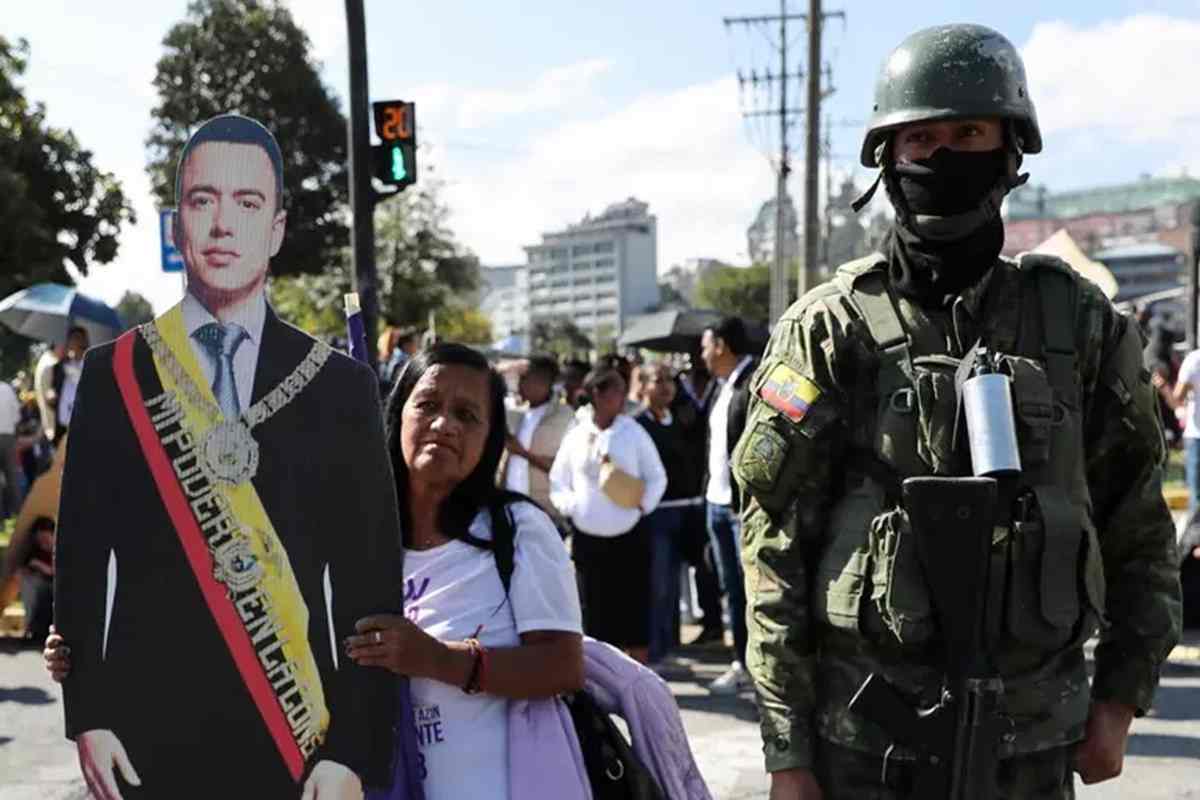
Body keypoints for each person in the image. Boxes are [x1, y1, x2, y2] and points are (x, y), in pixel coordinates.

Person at [732, 25, 1181, 800]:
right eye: (922, 137)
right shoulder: (828, 330)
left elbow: (1137, 522)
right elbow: (773, 547)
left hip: (1031, 747)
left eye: (968, 132)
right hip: (865, 749)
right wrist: (787, 750)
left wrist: (1120, 699)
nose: (943, 157)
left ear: (1011, 151)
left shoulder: (1078, 323)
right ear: (887, 156)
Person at [51, 114, 400, 799]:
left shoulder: (339, 386)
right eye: (202, 200)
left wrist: (355, 749)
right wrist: (87, 715)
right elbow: (82, 560)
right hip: (144, 736)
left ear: (276, 228)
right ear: (177, 221)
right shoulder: (114, 374)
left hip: (297, 737)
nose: (221, 226)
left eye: (247, 205)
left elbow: (368, 588)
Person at [342, 342, 585, 799]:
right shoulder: (359, 537)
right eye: (428, 405)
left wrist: (438, 659)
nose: (444, 425)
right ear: (398, 415)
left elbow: (564, 666)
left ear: (490, 437)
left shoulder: (518, 530)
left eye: (467, 415)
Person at [551, 367, 667, 663]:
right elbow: (558, 480)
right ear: (595, 395)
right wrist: (572, 506)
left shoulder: (634, 432)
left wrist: (645, 505)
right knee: (594, 609)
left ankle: (639, 678)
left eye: (619, 389)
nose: (617, 396)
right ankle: (602, 678)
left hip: (630, 535)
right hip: (588, 538)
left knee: (634, 607)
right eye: (610, 390)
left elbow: (657, 477)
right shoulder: (577, 435)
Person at [700, 316, 758, 694]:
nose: (702, 354)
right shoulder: (722, 387)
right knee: (731, 591)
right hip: (717, 504)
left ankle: (754, 670)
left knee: (751, 593)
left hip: (740, 509)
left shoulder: (753, 383)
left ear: (721, 345)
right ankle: (741, 663)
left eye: (705, 346)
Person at [634, 363, 705, 666]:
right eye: (658, 380)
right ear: (644, 385)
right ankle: (654, 651)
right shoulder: (637, 425)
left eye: (670, 381)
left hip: (686, 511)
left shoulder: (682, 418)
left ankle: (670, 646)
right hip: (655, 515)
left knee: (675, 586)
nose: (666, 387)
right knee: (658, 586)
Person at [498, 355, 576, 530]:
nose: (518, 382)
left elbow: (567, 469)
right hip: (510, 509)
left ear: (543, 382)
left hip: (544, 513)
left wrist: (523, 453)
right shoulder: (516, 413)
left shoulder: (565, 416)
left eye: (524, 377)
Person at [1171, 347, 1200, 514]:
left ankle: (1197, 535)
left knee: (1196, 494)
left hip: (1196, 434)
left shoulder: (1194, 360)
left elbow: (1178, 396)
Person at [18, 516, 55, 643]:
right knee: (29, 584)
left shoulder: (60, 549)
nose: (43, 543)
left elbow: (55, 572)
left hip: (56, 588)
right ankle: (32, 626)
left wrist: (39, 565)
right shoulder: (35, 552)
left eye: (45, 539)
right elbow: (24, 570)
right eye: (40, 540)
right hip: (40, 590)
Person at [51, 326, 88, 444]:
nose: (73, 342)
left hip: (82, 422)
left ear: (84, 341)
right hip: (62, 423)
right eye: (71, 339)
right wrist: (51, 395)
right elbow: (54, 389)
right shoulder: (60, 366)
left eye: (77, 338)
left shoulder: (90, 365)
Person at [0, 377, 25, 516]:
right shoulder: (7, 388)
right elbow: (17, 416)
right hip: (8, 437)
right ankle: (18, 514)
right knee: (12, 477)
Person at [33, 343, 62, 442]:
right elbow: (51, 398)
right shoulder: (52, 364)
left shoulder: (44, 360)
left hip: (50, 427)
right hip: (57, 428)